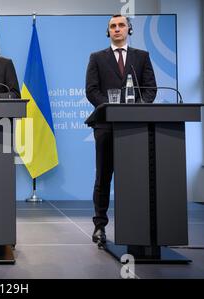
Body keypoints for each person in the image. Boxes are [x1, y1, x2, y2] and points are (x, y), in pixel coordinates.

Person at [85, 15, 157, 246]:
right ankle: (99, 226)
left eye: (121, 25)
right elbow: (91, 90)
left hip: (134, 126)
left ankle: (135, 225)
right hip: (105, 125)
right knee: (103, 176)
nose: (117, 29)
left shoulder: (142, 57)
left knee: (133, 177)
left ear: (129, 29)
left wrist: (138, 109)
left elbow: (150, 89)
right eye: (112, 26)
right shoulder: (97, 58)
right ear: (108, 32)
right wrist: (109, 108)